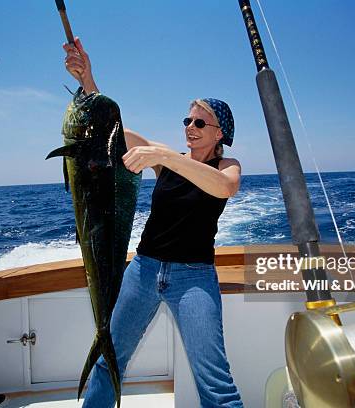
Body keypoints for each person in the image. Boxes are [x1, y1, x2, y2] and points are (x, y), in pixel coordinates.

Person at [64, 37, 244, 408]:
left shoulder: (226, 167)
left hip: (194, 278)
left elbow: (223, 188)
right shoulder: (166, 158)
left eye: (200, 122)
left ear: (219, 133)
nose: (190, 127)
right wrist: (88, 80)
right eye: (187, 120)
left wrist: (164, 155)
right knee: (107, 359)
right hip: (143, 271)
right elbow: (115, 130)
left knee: (216, 384)